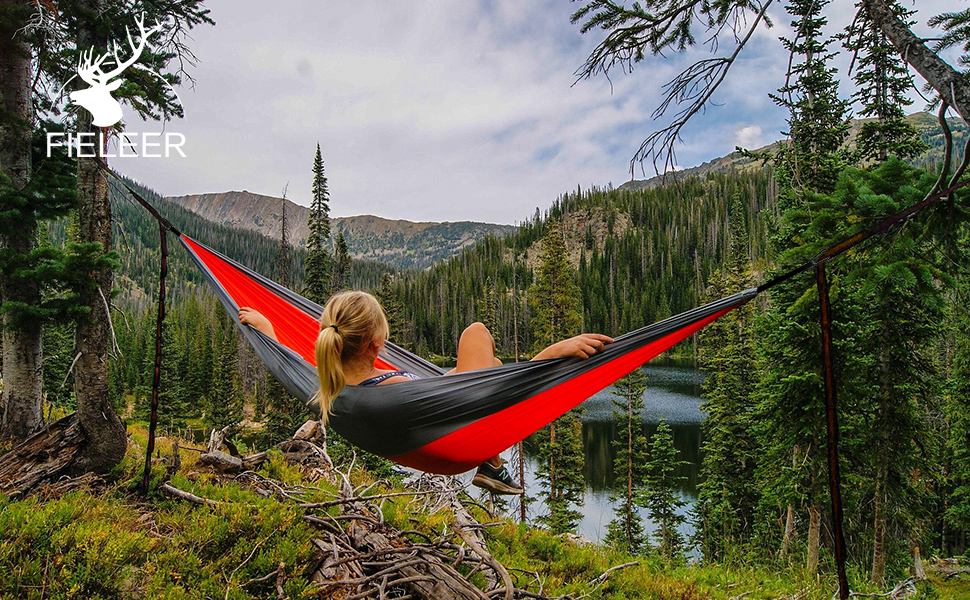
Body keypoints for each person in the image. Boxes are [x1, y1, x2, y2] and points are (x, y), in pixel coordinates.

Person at [239, 290, 612, 495]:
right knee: (476, 332)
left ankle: (494, 464)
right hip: (454, 444)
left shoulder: (326, 386)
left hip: (429, 425)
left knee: (492, 365)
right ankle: (492, 462)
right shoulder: (393, 393)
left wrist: (268, 330)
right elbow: (488, 400)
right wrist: (547, 358)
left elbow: (289, 363)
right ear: (374, 343)